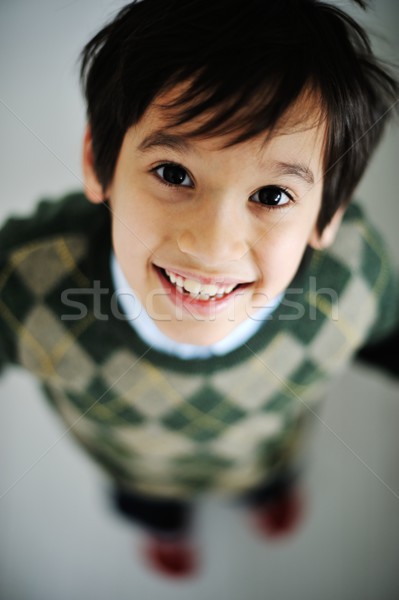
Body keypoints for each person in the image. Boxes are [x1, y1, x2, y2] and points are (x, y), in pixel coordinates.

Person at [0, 0, 398, 578]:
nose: (213, 248)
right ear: (98, 164)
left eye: (272, 196)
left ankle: (266, 496)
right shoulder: (26, 277)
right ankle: (167, 527)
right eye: (173, 173)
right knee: (152, 508)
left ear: (327, 218)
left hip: (266, 451)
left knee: (271, 479)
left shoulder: (354, 276)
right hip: (135, 468)